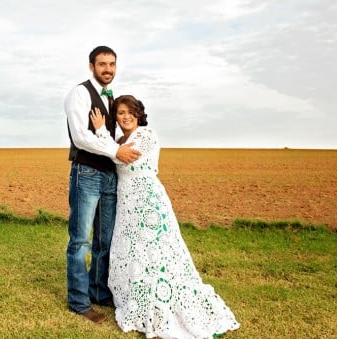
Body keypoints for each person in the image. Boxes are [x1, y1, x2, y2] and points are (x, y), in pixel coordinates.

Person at [90, 95, 240, 338]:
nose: (126, 116)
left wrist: (100, 133)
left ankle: (164, 303)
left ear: (138, 114)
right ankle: (137, 299)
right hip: (127, 204)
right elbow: (115, 153)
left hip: (148, 201)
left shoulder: (147, 135)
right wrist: (108, 143)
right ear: (115, 117)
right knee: (133, 251)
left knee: (157, 250)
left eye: (130, 111)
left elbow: (127, 160)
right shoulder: (119, 139)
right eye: (120, 112)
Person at [64, 46, 141, 324]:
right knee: (81, 240)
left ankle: (98, 292)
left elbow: (113, 133)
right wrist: (116, 152)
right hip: (86, 174)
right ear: (91, 66)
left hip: (110, 176)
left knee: (104, 241)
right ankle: (78, 301)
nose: (107, 69)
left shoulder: (112, 99)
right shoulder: (80, 93)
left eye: (112, 64)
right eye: (102, 64)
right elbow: (81, 137)